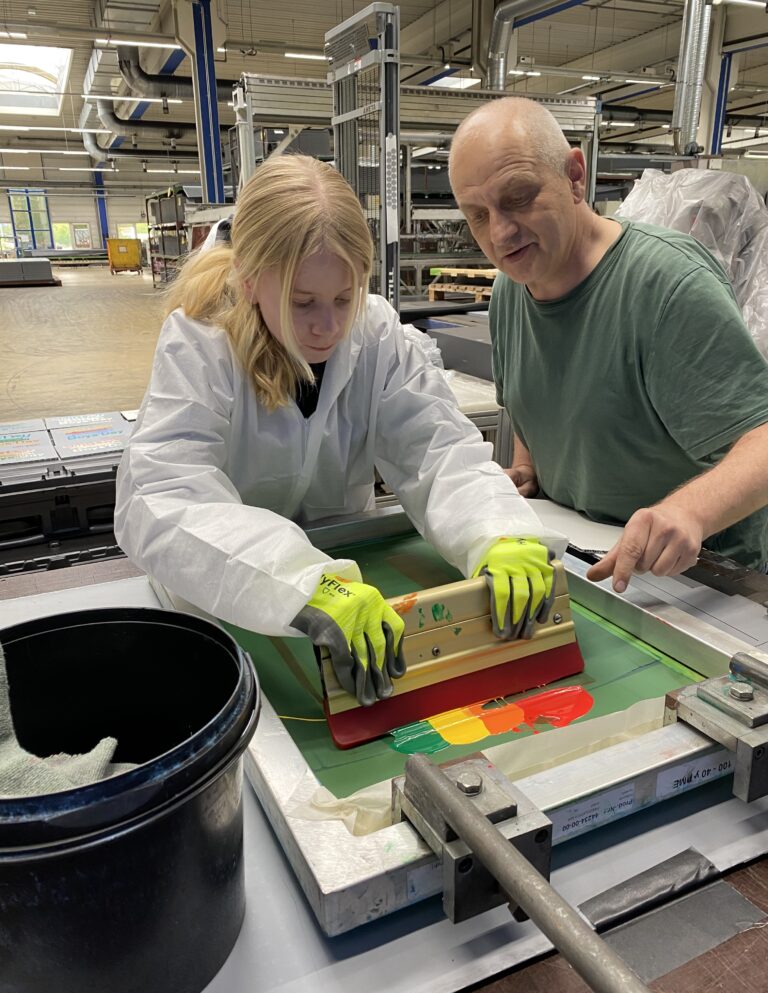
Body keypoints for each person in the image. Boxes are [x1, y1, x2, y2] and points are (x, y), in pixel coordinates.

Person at [115, 154, 566, 707]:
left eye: (343, 298)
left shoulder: (376, 334)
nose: (327, 326)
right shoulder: (201, 344)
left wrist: (498, 533)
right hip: (227, 588)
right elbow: (165, 495)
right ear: (251, 281)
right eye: (302, 303)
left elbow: (439, 452)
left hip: (353, 566)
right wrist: (302, 583)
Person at [448, 96, 768, 591]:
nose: (501, 232)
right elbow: (532, 408)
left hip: (700, 581)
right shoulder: (508, 293)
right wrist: (528, 468)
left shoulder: (665, 286)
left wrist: (688, 510)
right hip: (584, 556)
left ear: (575, 176)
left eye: (518, 196)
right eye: (477, 215)